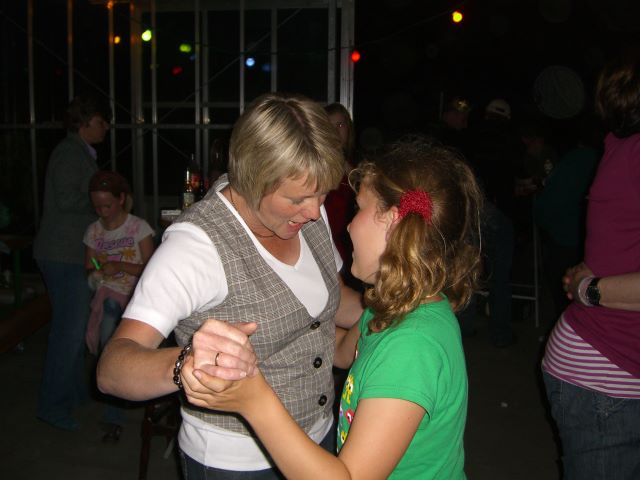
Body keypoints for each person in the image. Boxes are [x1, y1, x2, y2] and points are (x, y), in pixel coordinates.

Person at [180, 136, 483, 479]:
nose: (348, 225)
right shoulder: (397, 304)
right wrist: (267, 340)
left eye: (359, 209)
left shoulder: (411, 348)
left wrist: (253, 399)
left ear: (392, 222)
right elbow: (342, 350)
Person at [97, 92, 364, 477]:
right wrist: (185, 363)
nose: (313, 211)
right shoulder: (197, 246)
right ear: (253, 181)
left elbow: (335, 301)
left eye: (322, 193)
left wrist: (394, 304)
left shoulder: (309, 205)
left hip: (318, 439)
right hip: (236, 462)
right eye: (298, 199)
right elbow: (111, 370)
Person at [542, 51, 640, 480]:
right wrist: (589, 287)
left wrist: (590, 276)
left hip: (601, 367)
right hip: (608, 377)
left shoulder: (617, 146)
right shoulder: (624, 150)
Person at [33, 93, 111, 431]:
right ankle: (52, 405)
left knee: (75, 328)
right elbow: (66, 200)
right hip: (62, 254)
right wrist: (103, 202)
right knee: (68, 332)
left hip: (70, 253)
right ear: (85, 122)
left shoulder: (80, 152)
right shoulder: (69, 153)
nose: (105, 127)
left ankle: (74, 392)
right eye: (101, 122)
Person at [83, 170, 154, 442]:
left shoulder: (138, 228)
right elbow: (89, 265)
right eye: (97, 207)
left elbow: (150, 268)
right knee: (108, 337)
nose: (102, 212)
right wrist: (98, 269)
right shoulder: (94, 230)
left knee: (111, 343)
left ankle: (118, 404)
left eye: (107, 205)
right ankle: (114, 410)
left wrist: (120, 265)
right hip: (107, 294)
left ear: (121, 199)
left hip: (135, 296)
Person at [323, 103, 358, 265]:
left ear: (348, 128)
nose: (336, 132)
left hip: (351, 243)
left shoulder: (359, 162)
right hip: (326, 243)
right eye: (330, 126)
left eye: (340, 125)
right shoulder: (316, 163)